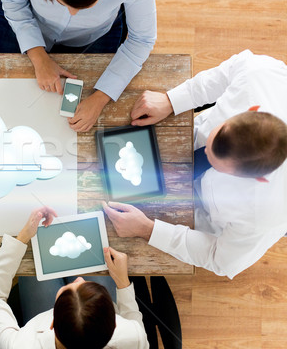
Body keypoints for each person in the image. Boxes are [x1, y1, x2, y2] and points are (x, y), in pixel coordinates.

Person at [103, 50, 287, 279]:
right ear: (250, 111)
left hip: (203, 215)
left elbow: (219, 259)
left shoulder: (267, 214)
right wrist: (172, 100)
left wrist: (147, 230)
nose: (206, 152)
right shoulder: (259, 74)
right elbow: (222, 76)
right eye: (213, 141)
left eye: (217, 164)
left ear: (258, 178)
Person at [0, 0, 156, 132]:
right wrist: (38, 56)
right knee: (1, 99)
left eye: (85, 7)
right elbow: (12, 2)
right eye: (62, 2)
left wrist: (100, 98)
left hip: (96, 34)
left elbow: (142, 39)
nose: (72, 13)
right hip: (28, 19)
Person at [0, 207, 148, 348]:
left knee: (33, 261)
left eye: (66, 291)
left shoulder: (22, 345)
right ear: (115, 323)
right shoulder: (134, 337)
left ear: (51, 323)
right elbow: (135, 323)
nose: (80, 279)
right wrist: (122, 283)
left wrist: (22, 238)